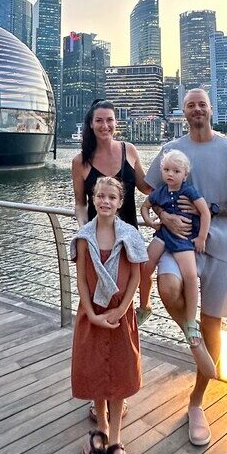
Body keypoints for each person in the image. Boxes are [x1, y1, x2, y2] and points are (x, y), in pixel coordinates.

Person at [145, 89, 227, 447]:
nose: (196, 109)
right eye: (190, 105)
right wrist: (164, 216)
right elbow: (150, 195)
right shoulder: (171, 151)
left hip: (222, 248)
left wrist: (209, 210)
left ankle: (197, 402)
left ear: (211, 110)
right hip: (178, 244)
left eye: (202, 104)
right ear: (183, 112)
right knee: (166, 288)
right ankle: (189, 334)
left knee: (213, 325)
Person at [71, 99, 151, 423]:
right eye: (99, 120)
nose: (105, 126)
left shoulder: (129, 151)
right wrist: (83, 237)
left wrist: (178, 192)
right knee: (94, 324)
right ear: (91, 124)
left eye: (110, 120)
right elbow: (79, 204)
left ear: (116, 123)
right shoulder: (80, 161)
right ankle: (97, 398)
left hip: (126, 250)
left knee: (122, 323)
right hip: (97, 249)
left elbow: (147, 187)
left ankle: (116, 389)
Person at [71, 176, 147, 454]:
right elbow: (80, 279)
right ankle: (100, 428)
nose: (104, 201)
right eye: (99, 196)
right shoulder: (83, 237)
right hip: (92, 313)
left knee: (119, 374)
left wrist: (121, 309)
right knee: (95, 374)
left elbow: (135, 279)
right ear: (92, 198)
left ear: (120, 202)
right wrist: (91, 313)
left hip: (119, 314)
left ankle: (115, 438)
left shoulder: (129, 236)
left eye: (111, 197)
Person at [140, 149, 215, 379]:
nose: (170, 174)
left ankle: (190, 321)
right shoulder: (160, 193)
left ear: (185, 174)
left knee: (191, 276)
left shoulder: (188, 191)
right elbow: (144, 206)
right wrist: (151, 222)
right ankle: (145, 305)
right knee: (144, 266)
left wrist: (201, 237)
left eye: (176, 171)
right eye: (166, 170)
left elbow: (205, 212)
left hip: (183, 240)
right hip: (163, 236)